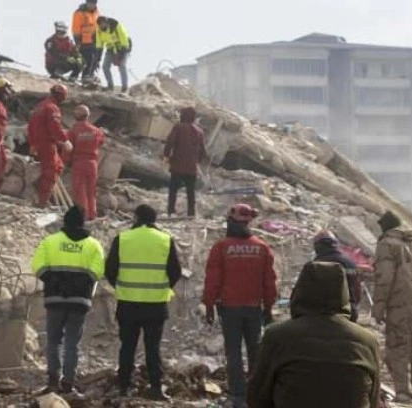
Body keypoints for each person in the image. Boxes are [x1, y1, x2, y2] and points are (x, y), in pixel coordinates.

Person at [247, 261, 381, 408]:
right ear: (344, 294)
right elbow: (373, 400)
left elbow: (257, 397)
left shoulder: (277, 336)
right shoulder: (367, 341)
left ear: (299, 291)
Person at [202, 204, 277, 408]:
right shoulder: (262, 247)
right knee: (255, 351)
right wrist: (269, 307)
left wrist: (209, 305)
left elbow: (213, 280)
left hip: (230, 309)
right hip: (254, 308)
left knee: (233, 352)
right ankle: (255, 394)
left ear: (231, 222)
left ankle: (237, 396)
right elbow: (269, 282)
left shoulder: (221, 247)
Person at [105, 204, 182, 401]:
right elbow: (175, 272)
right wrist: (161, 286)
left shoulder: (122, 239)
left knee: (128, 346)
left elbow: (110, 271)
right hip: (155, 304)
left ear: (137, 217)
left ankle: (124, 386)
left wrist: (122, 286)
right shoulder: (165, 240)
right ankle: (156, 387)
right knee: (153, 347)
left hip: (128, 303)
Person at [31, 205, 105, 396]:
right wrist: (76, 286)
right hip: (79, 301)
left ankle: (52, 382)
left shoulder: (50, 241)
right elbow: (97, 271)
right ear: (83, 222)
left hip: (55, 298)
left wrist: (57, 283)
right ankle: (68, 383)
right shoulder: (93, 245)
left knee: (54, 341)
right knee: (72, 343)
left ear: (65, 221)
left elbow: (38, 266)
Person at [372, 210, 412, 403]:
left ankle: (403, 392)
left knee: (398, 347)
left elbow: (385, 278)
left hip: (401, 305)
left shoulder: (386, 244)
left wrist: (379, 307)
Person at [27, 84, 73, 208]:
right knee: (51, 170)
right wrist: (64, 141)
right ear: (61, 96)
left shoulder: (39, 106)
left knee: (58, 166)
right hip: (47, 143)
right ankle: (42, 201)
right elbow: (55, 127)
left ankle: (42, 192)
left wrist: (32, 144)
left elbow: (30, 126)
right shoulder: (52, 108)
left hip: (38, 143)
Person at [163, 107, 206, 218]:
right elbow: (202, 151)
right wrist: (197, 162)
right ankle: (191, 213)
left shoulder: (178, 127)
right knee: (190, 191)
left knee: (173, 190)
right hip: (192, 168)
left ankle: (171, 211)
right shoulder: (200, 132)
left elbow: (170, 142)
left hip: (178, 165)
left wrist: (166, 155)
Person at [312, 230, 362, 322]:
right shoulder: (350, 263)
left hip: (323, 318)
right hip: (349, 314)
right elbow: (357, 291)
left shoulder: (315, 265)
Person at [66, 104, 104, 220]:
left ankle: (82, 215)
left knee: (79, 190)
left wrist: (65, 162)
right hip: (92, 164)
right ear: (88, 116)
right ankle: (92, 214)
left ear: (75, 116)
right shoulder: (96, 131)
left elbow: (68, 149)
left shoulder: (73, 130)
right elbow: (101, 142)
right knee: (91, 190)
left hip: (79, 163)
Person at [95, 16, 131, 92]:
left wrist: (120, 56)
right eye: (101, 24)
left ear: (107, 22)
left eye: (104, 23)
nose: (103, 25)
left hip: (123, 47)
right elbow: (99, 45)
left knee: (122, 65)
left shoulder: (116, 26)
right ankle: (110, 86)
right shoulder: (99, 31)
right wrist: (97, 59)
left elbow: (124, 39)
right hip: (110, 49)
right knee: (105, 66)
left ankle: (124, 87)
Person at [71, 0, 100, 80]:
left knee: (93, 60)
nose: (92, 5)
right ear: (86, 2)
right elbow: (75, 29)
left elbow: (98, 26)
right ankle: (74, 77)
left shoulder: (97, 12)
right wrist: (78, 42)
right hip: (84, 41)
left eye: (93, 3)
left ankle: (87, 77)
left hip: (95, 41)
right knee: (83, 60)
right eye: (90, 3)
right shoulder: (79, 13)